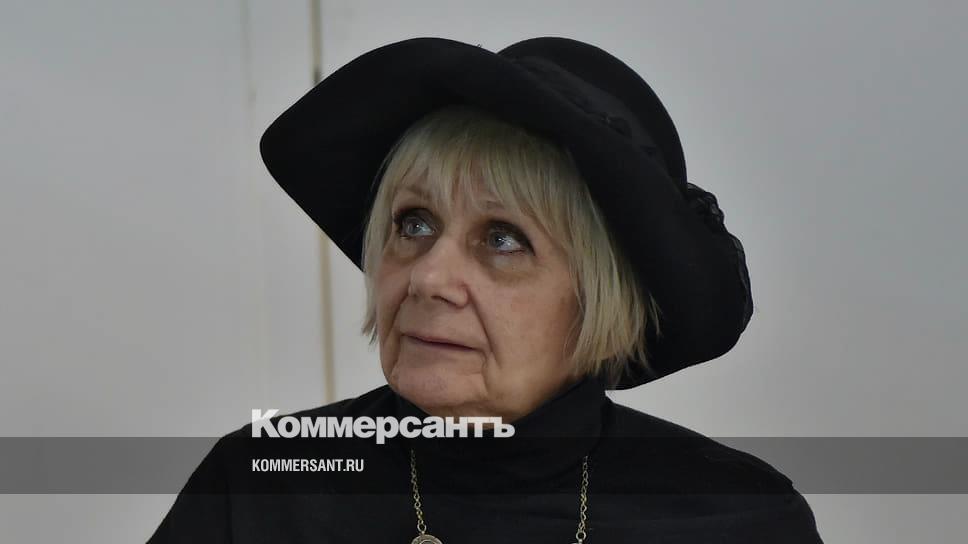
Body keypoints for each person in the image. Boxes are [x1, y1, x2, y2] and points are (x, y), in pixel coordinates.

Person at [148, 37, 823, 543]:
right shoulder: (261, 487)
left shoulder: (738, 517)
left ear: (601, 299)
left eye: (503, 239)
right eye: (413, 224)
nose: (428, 278)